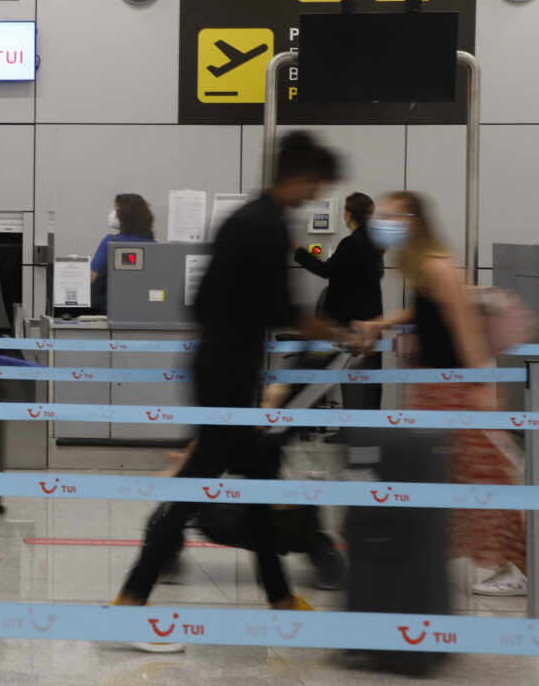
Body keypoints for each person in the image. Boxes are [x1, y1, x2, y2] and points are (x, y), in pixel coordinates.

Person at [113, 131, 346, 651]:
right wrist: (341, 332)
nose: (315, 196)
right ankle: (131, 599)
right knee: (195, 487)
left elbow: (200, 304)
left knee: (260, 485)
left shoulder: (248, 219)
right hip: (227, 375)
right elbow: (282, 311)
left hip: (222, 367)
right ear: (300, 174)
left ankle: (280, 600)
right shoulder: (263, 226)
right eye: (316, 185)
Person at [356, 191, 527, 597]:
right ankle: (431, 550)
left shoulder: (438, 265)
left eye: (392, 216)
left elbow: (465, 325)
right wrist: (382, 323)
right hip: (434, 388)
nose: (385, 223)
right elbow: (426, 312)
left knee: (482, 474)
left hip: (455, 389)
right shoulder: (421, 268)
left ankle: (515, 566)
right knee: (438, 472)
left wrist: (481, 388)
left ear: (414, 221)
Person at [294, 191, 384, 411]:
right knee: (366, 380)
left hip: (351, 324)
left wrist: (299, 252)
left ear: (347, 214)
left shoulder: (351, 243)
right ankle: (360, 431)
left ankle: (354, 431)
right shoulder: (375, 244)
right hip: (370, 321)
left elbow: (326, 271)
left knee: (352, 378)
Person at [90, 193, 155, 310]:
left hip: (111, 308)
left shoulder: (110, 242)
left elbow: (91, 278)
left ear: (123, 217)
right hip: (145, 309)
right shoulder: (154, 246)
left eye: (117, 210)